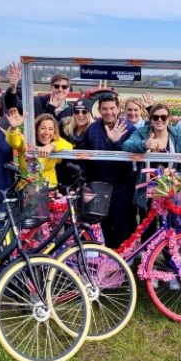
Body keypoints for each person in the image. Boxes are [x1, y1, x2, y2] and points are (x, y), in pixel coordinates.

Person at [76, 92, 136, 248]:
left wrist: (116, 143)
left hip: (121, 186)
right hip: (98, 184)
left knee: (121, 224)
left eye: (112, 108)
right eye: (104, 109)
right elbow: (85, 155)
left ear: (118, 108)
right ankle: (104, 258)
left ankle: (123, 261)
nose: (108, 112)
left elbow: (131, 157)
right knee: (101, 224)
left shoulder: (129, 129)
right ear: (99, 110)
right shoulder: (93, 129)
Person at [122, 102, 181, 210]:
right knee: (147, 223)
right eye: (155, 117)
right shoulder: (142, 132)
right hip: (147, 190)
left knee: (168, 224)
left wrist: (174, 179)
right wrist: (144, 144)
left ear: (168, 119)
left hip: (170, 190)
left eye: (163, 117)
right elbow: (126, 145)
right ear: (151, 119)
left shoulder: (178, 135)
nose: (160, 120)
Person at [6, 111, 73, 187]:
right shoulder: (26, 141)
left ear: (54, 132)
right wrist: (13, 128)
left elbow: (68, 146)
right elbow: (15, 142)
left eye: (50, 129)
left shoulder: (56, 142)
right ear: (36, 130)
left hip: (50, 191)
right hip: (27, 191)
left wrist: (51, 145)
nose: (46, 132)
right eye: (43, 128)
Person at [5, 69, 73, 124]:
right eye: (56, 86)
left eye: (64, 87)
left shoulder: (72, 109)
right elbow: (14, 105)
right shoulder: (37, 102)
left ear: (69, 89)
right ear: (51, 87)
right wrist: (13, 88)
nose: (60, 90)